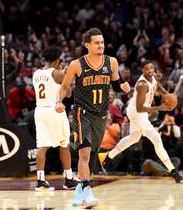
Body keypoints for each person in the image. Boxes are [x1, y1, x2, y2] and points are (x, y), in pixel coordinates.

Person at [55, 28, 130, 208]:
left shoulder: (111, 62)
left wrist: (124, 87)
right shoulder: (76, 64)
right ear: (87, 45)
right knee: (84, 152)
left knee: (93, 155)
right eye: (97, 43)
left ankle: (79, 193)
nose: (101, 45)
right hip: (82, 113)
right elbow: (65, 86)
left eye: (102, 42)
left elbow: (115, 84)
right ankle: (87, 192)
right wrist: (58, 101)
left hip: (101, 115)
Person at [99, 60, 183, 183]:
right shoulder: (142, 85)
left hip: (141, 112)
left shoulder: (152, 77)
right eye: (147, 69)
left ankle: (107, 157)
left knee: (133, 138)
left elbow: (157, 86)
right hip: (137, 112)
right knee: (157, 139)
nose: (150, 71)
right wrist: (160, 108)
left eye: (151, 69)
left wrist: (167, 95)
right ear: (142, 71)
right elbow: (140, 108)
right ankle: (173, 172)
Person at [32, 46, 78, 191]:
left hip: (39, 110)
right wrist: (67, 76)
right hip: (54, 110)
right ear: (57, 60)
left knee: (42, 146)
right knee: (64, 144)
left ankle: (40, 180)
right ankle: (69, 179)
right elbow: (69, 93)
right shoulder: (56, 73)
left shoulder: (36, 73)